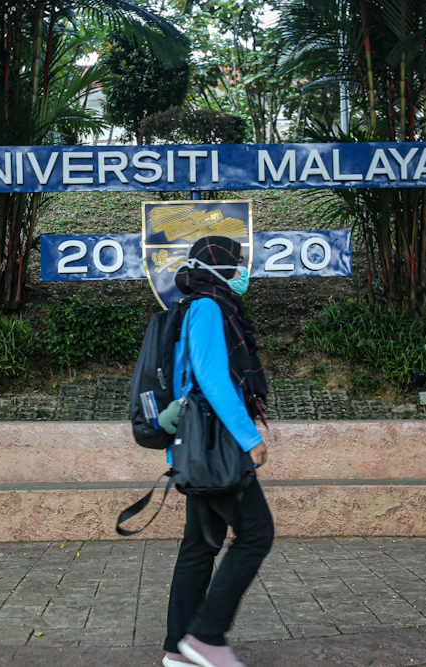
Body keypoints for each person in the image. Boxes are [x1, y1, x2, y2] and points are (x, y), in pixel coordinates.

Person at [158, 236, 273, 667]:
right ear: (219, 265)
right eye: (237, 263)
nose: (243, 272)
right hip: (216, 443)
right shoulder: (208, 307)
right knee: (256, 533)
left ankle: (178, 651)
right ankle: (206, 637)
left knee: (200, 544)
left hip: (203, 443)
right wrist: (249, 438)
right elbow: (211, 379)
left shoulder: (203, 306)